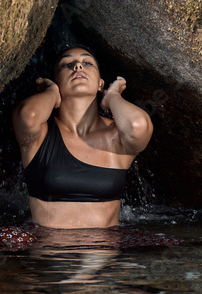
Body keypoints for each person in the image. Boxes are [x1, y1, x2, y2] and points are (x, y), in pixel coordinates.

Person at [12, 45, 153, 229]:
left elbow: (138, 125)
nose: (78, 66)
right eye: (66, 65)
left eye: (87, 63)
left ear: (100, 84)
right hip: (51, 253)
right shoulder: (42, 135)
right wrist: (52, 93)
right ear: (55, 81)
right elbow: (27, 115)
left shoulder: (115, 137)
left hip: (103, 254)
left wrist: (112, 97)